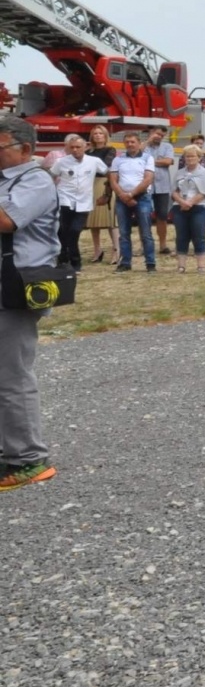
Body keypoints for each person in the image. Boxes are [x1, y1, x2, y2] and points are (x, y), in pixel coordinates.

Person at [0, 115, 63, 492]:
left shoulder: (36, 180)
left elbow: (6, 221)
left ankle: (29, 459)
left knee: (12, 376)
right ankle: (10, 450)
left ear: (25, 149)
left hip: (17, 289)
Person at [48, 135, 107, 270]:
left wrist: (107, 192)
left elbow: (108, 173)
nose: (75, 150)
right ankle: (68, 260)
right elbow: (51, 175)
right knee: (63, 231)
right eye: (72, 147)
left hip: (83, 202)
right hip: (65, 199)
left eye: (78, 147)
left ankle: (72, 258)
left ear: (85, 147)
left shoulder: (94, 161)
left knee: (74, 231)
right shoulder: (61, 162)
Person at [111, 130, 156, 272]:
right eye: (127, 142)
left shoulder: (148, 158)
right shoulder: (118, 159)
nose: (130, 144)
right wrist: (122, 195)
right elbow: (113, 180)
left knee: (146, 233)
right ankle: (125, 263)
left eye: (133, 142)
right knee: (124, 233)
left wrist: (131, 194)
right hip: (122, 198)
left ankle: (150, 263)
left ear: (139, 143)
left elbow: (148, 179)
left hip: (142, 197)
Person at [171, 145, 205, 274]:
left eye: (192, 156)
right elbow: (174, 191)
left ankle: (201, 266)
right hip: (180, 207)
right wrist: (182, 202)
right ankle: (181, 266)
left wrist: (189, 203)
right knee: (181, 236)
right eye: (187, 156)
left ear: (199, 158)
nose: (189, 158)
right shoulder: (179, 173)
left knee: (199, 236)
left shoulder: (204, 173)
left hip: (199, 207)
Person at [84, 125, 117, 265]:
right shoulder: (88, 151)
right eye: (95, 133)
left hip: (104, 183)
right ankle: (97, 250)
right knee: (93, 221)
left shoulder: (110, 150)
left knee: (110, 220)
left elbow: (106, 165)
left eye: (100, 133)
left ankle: (116, 249)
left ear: (105, 135)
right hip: (90, 184)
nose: (97, 135)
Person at [144, 127, 175, 255]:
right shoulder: (143, 146)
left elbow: (168, 161)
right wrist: (148, 142)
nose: (159, 137)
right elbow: (138, 157)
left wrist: (149, 162)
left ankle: (163, 245)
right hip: (145, 186)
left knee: (162, 216)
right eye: (157, 134)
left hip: (163, 186)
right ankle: (146, 246)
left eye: (162, 135)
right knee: (144, 216)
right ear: (150, 133)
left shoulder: (167, 146)